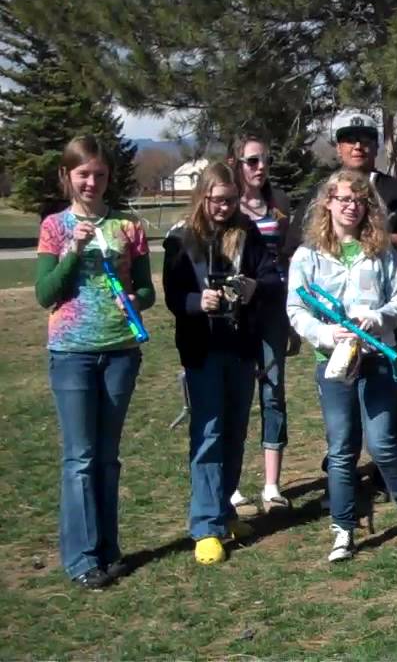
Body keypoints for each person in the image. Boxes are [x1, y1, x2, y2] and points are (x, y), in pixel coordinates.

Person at [287, 170, 397, 562]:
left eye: (359, 201)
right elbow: (295, 308)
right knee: (342, 448)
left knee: (383, 442)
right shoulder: (308, 255)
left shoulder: (381, 250)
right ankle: (343, 527)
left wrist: (378, 319)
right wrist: (326, 335)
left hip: (376, 357)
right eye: (343, 199)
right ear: (328, 202)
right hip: (335, 363)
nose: (351, 206)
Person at [282, 112, 397, 498]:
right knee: (340, 391)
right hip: (333, 322)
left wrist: (380, 239)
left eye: (366, 138)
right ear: (338, 146)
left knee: (387, 388)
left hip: (385, 312)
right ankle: (343, 466)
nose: (358, 145)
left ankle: (390, 466)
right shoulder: (324, 192)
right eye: (349, 139)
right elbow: (296, 245)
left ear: (376, 144)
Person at [36, 135, 153, 589]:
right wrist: (71, 252)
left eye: (99, 175)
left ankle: (109, 549)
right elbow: (46, 294)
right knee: (80, 458)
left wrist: (134, 297)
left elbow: (147, 291)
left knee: (107, 458)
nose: (91, 182)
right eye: (83, 174)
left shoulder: (128, 226)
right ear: (68, 176)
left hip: (121, 350)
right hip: (72, 354)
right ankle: (82, 557)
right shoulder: (54, 226)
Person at [163, 162, 278, 565]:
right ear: (203, 196)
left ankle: (225, 511)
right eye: (217, 200)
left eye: (230, 201)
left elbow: (271, 278)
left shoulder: (247, 234)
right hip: (202, 350)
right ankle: (205, 526)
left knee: (234, 432)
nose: (224, 208)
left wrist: (253, 288)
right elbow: (174, 297)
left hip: (242, 347)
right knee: (209, 433)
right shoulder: (181, 239)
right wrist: (199, 302)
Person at [226, 133, 293, 512]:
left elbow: (291, 255)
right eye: (252, 160)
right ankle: (232, 485)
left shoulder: (279, 203)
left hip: (273, 310)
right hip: (235, 316)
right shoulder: (226, 203)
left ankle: (272, 485)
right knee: (236, 395)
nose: (260, 167)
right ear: (237, 163)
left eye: (265, 159)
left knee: (273, 392)